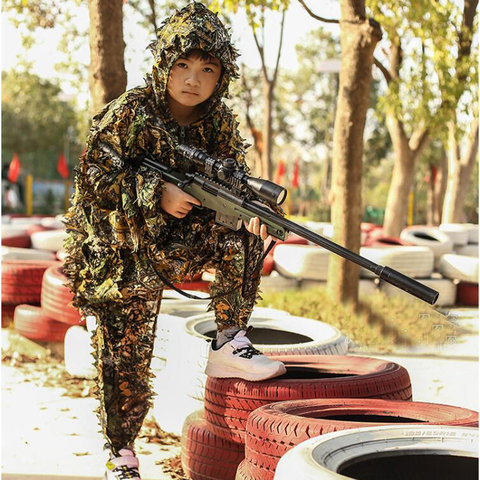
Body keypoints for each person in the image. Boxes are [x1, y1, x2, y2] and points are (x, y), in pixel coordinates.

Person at [63, 3, 286, 479]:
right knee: (127, 345)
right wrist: (153, 192)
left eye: (208, 69)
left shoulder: (219, 123)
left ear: (222, 76)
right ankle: (121, 453)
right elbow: (93, 181)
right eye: (183, 64)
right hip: (117, 247)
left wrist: (249, 215)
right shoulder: (130, 112)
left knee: (241, 233)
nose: (193, 79)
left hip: (175, 236)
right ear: (164, 62)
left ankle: (229, 341)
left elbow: (228, 186)